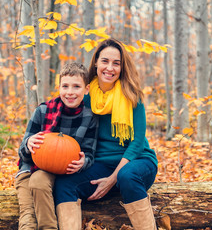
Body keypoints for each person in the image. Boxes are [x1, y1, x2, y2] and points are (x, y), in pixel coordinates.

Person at [53, 38, 158, 230]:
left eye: (116, 63)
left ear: (122, 67)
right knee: (64, 184)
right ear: (96, 63)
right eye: (105, 61)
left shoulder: (132, 95)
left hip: (137, 162)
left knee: (127, 176)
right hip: (100, 164)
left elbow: (137, 143)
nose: (109, 68)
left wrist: (112, 180)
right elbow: (59, 119)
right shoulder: (83, 94)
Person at [15, 62, 98, 230]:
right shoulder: (43, 111)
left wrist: (83, 162)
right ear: (59, 87)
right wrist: (28, 144)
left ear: (86, 89)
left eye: (76, 86)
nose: (70, 92)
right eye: (65, 86)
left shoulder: (90, 117)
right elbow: (23, 153)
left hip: (62, 172)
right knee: (28, 218)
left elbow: (89, 153)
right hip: (30, 168)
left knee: (39, 182)